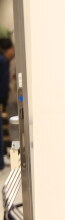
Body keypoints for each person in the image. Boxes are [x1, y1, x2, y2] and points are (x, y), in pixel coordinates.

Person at [0, 37, 16, 170]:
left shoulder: (4, 60)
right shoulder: (4, 61)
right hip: (10, 101)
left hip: (11, 101)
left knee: (13, 132)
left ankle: (13, 161)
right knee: (14, 133)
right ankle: (12, 162)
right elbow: (4, 84)